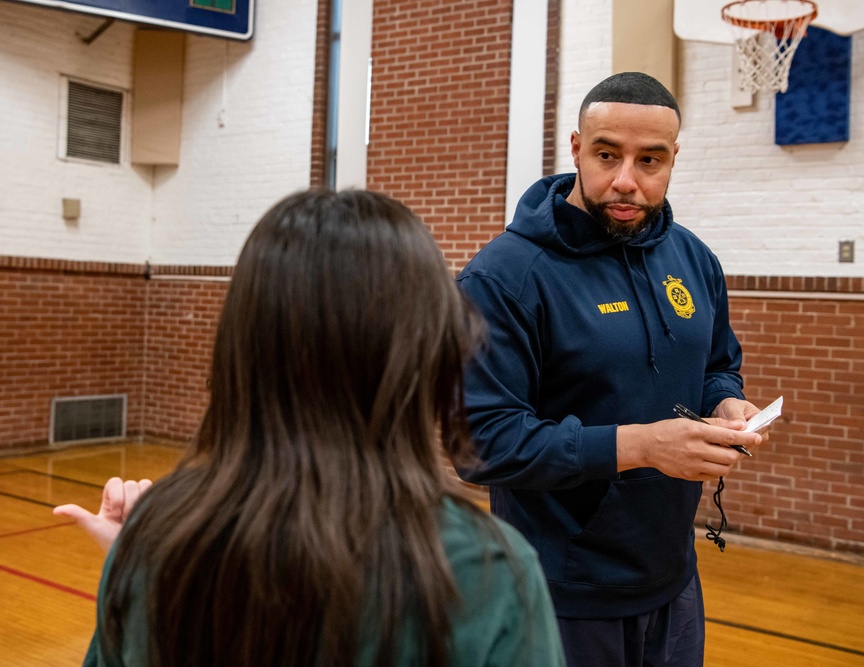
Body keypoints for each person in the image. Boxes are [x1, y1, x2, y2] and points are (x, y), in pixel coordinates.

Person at [54, 189, 566, 667]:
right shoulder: (491, 571)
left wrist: (148, 565)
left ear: (241, 346)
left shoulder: (154, 539)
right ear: (425, 354)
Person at [455, 72, 768, 667]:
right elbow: (481, 445)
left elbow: (719, 364)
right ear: (576, 149)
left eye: (650, 160)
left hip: (671, 576)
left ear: (674, 158)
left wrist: (727, 400)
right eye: (607, 155)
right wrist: (642, 447)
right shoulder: (504, 277)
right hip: (562, 591)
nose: (626, 180)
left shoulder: (694, 258)